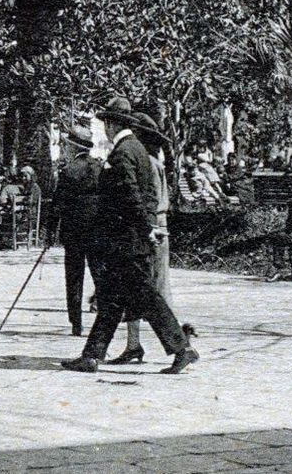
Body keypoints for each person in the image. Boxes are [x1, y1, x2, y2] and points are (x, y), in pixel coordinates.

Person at [63, 97, 197, 375]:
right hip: (130, 238)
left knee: (146, 297)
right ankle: (91, 356)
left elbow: (130, 196)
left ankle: (182, 349)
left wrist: (145, 228)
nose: (105, 131)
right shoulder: (135, 148)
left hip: (127, 240)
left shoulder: (123, 152)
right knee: (112, 301)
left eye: (105, 125)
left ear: (112, 125)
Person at [113, 111, 184, 365]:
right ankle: (134, 345)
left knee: (153, 290)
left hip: (151, 227)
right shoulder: (152, 161)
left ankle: (181, 346)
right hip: (153, 225)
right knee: (139, 288)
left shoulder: (147, 163)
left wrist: (146, 228)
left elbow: (147, 201)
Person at [51, 123, 103, 336]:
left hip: (73, 233)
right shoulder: (100, 168)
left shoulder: (67, 172)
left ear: (72, 147)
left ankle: (76, 324)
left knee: (74, 278)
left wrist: (49, 232)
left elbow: (57, 205)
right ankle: (102, 318)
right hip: (97, 231)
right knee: (100, 275)